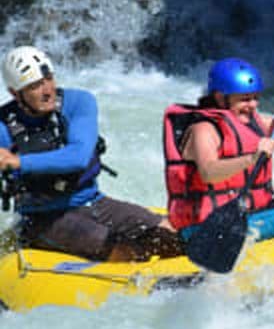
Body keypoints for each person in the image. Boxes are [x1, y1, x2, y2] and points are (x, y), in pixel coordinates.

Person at [0, 46, 183, 262]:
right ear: (15, 93)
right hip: (43, 220)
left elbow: (78, 157)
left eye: (48, 79)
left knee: (171, 235)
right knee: (127, 252)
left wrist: (17, 161)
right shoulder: (3, 126)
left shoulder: (78, 102)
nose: (47, 90)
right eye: (35, 86)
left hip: (94, 202)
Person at [164, 57, 274, 244]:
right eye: (244, 99)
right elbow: (208, 172)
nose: (253, 105)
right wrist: (252, 158)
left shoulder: (252, 123)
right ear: (220, 97)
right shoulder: (203, 129)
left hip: (247, 216)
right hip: (206, 229)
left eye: (255, 98)